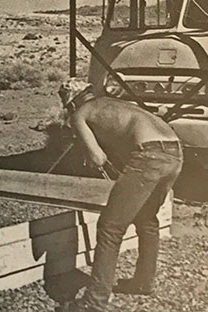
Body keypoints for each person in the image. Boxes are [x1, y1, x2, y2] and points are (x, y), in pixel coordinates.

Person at [57, 79, 182, 312]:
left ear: (71, 103)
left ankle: (94, 302)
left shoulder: (79, 115)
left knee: (109, 228)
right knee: (147, 220)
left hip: (150, 156)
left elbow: (98, 158)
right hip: (175, 152)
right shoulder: (112, 103)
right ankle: (143, 283)